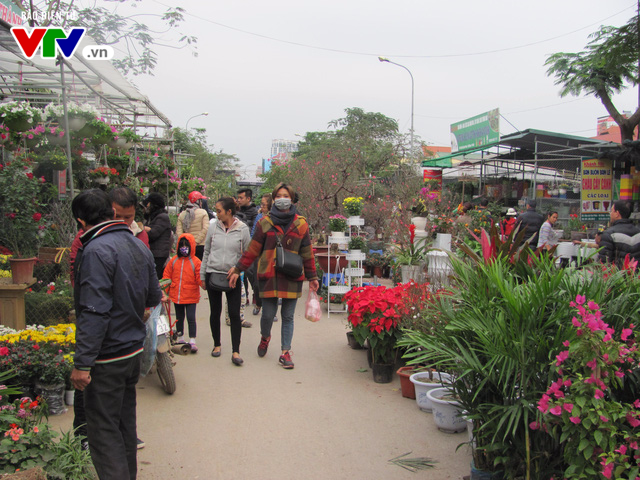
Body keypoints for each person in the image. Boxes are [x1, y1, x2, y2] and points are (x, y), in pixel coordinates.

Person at [70, 189, 162, 480]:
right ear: (110, 213)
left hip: (107, 356)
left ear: (80, 221)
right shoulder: (137, 245)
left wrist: (83, 363)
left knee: (104, 430)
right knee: (124, 425)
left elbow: (94, 311)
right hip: (132, 351)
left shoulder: (96, 250)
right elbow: (153, 295)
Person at [229, 182, 319, 370]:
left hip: (292, 276)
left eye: (285, 195)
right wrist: (238, 269)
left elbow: (307, 252)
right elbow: (252, 250)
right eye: (278, 196)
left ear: (292, 198)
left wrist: (312, 277)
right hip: (268, 275)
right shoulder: (265, 222)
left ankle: (285, 352)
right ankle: (265, 337)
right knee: (268, 315)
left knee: (287, 316)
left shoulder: (301, 224)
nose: (282, 199)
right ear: (273, 199)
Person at [201, 197, 251, 365]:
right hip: (212, 274)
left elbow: (248, 255)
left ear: (229, 212)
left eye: (219, 210)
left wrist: (238, 269)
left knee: (235, 314)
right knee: (215, 312)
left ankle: (236, 351)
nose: (216, 213)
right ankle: (217, 345)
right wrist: (202, 276)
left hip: (233, 277)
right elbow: (207, 250)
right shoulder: (213, 226)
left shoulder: (242, 229)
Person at [162, 233, 202, 352]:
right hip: (176, 296)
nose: (184, 248)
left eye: (186, 246)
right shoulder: (174, 261)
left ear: (191, 247)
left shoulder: (196, 262)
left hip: (191, 296)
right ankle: (180, 337)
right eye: (182, 246)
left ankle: (192, 340)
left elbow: (200, 278)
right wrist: (165, 292)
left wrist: (204, 284)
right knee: (179, 317)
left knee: (191, 317)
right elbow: (167, 276)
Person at [598, 200, 640, 266]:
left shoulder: (609, 234)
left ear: (617, 213)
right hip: (636, 275)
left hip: (617, 275)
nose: (610, 214)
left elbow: (604, 263)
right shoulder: (638, 233)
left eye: (611, 211)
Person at [251, 193, 273, 316]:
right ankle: (258, 303)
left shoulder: (276, 218)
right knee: (257, 283)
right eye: (261, 204)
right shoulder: (259, 216)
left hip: (271, 254)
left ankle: (270, 310)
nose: (262, 207)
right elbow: (253, 233)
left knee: (270, 283)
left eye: (264, 205)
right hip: (258, 254)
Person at [142, 193, 172, 279]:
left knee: (155, 278)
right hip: (153, 253)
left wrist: (144, 229)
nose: (147, 205)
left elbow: (153, 234)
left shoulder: (162, 217)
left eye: (149, 203)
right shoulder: (152, 217)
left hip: (159, 255)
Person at [237, 188, 259, 305]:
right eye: (238, 198)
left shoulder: (255, 212)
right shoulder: (236, 211)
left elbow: (255, 230)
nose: (239, 200)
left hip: (250, 247)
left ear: (248, 198)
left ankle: (256, 294)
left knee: (251, 272)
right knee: (241, 273)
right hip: (238, 245)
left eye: (241, 198)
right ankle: (244, 295)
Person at [176, 191, 209, 260]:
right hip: (200, 246)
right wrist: (196, 242)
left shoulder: (182, 214)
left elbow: (179, 232)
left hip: (186, 247)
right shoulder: (203, 212)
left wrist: (185, 243)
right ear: (198, 201)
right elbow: (205, 228)